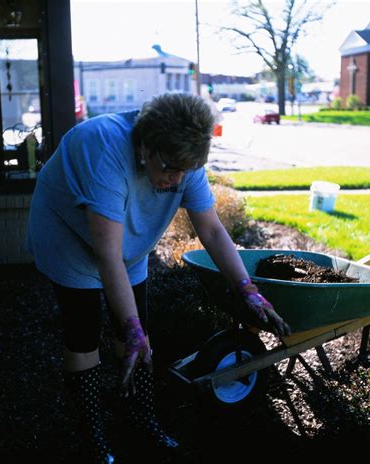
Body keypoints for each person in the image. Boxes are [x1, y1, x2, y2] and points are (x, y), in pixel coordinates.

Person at [26, 92, 290, 463]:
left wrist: (247, 289)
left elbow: (212, 231)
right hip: (68, 238)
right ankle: (93, 436)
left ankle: (141, 418)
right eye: (169, 169)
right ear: (146, 145)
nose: (176, 180)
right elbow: (107, 255)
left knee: (137, 334)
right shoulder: (101, 145)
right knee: (84, 336)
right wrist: (129, 326)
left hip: (127, 241)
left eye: (186, 171)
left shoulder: (181, 158)